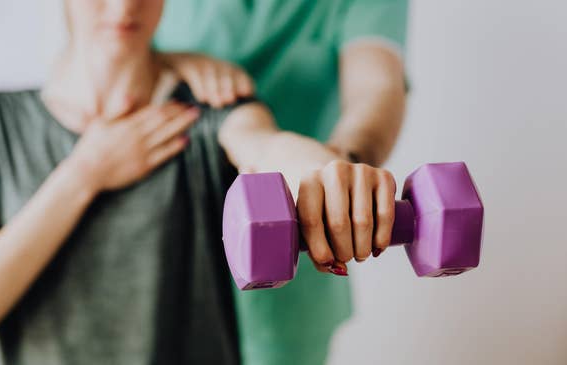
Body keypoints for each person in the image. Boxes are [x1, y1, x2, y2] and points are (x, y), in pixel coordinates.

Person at [0, 0, 400, 364]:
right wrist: (85, 173)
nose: (124, 4)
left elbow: (268, 146)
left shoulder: (211, 112)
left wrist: (327, 172)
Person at [154, 1, 408, 364]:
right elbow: (101, 48)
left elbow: (378, 86)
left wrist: (340, 168)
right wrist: (168, 62)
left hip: (293, 274)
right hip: (164, 260)